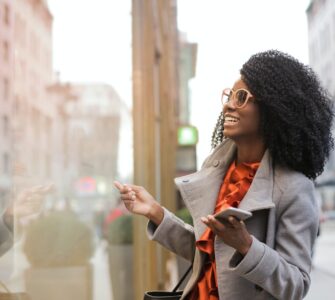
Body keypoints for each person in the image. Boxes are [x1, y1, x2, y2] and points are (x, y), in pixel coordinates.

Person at [114, 50, 334, 300]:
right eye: (230, 95)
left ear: (273, 109)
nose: (229, 104)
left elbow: (296, 285)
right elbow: (208, 252)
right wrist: (156, 213)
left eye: (242, 97)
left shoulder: (293, 187)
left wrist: (245, 245)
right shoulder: (218, 169)